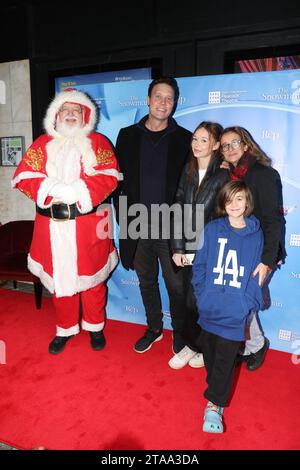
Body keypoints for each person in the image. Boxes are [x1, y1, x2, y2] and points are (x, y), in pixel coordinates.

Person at [12, 88, 122, 354]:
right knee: (61, 282)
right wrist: (54, 189)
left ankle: (95, 327)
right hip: (50, 227)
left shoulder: (99, 142)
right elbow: (23, 177)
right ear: (56, 114)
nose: (71, 115)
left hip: (89, 226)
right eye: (66, 110)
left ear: (85, 115)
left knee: (93, 281)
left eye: (76, 111)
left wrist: (78, 192)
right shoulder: (41, 144)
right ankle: (65, 328)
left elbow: (109, 177)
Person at [114, 77, 192, 354]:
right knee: (146, 281)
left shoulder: (185, 139)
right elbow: (118, 184)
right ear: (147, 100)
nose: (163, 103)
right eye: (158, 96)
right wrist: (124, 221)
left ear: (175, 103)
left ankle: (181, 335)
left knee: (177, 286)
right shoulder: (126, 135)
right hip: (137, 225)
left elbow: (190, 188)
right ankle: (154, 328)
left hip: (172, 230)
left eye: (169, 98)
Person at [192, 180, 264, 433]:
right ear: (223, 202)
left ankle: (214, 406)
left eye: (240, 199)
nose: (234, 204)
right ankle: (215, 390)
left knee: (224, 360)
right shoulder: (212, 229)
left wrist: (247, 303)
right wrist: (202, 295)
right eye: (230, 199)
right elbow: (199, 265)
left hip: (235, 312)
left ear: (247, 202)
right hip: (210, 307)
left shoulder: (256, 234)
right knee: (211, 357)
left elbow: (257, 274)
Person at [220, 126, 284, 371]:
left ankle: (254, 345)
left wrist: (266, 261)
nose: (230, 148)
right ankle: (254, 343)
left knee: (243, 302)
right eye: (225, 146)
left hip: (261, 251)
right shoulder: (233, 175)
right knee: (242, 302)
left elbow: (272, 220)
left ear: (246, 145)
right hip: (240, 249)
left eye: (234, 143)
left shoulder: (263, 174)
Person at [169, 121, 229, 370]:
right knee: (184, 300)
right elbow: (178, 209)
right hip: (186, 248)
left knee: (200, 302)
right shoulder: (188, 169)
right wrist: (178, 247)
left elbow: (226, 216)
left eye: (204, 140)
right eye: (195, 138)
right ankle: (192, 345)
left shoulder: (224, 174)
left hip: (210, 251)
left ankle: (200, 347)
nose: (196, 144)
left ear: (215, 145)